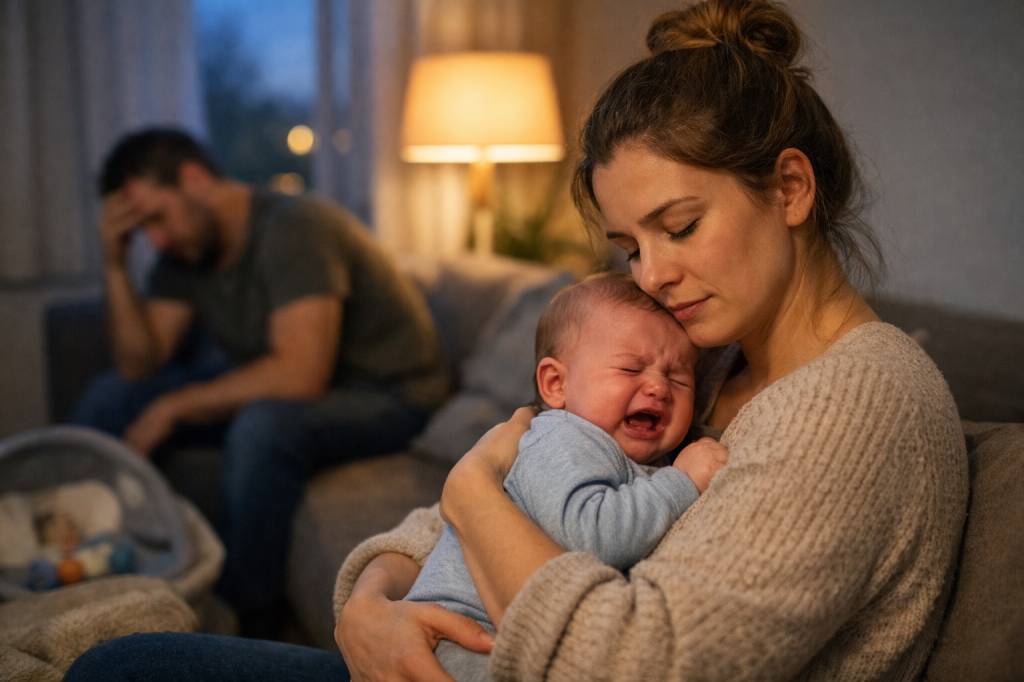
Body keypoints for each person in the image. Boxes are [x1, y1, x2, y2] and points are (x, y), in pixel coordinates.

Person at [66, 0, 968, 679]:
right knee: (128, 659)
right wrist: (371, 604)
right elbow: (502, 490)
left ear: (792, 190)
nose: (649, 275)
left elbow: (627, 657)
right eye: (629, 246)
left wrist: (466, 483)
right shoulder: (708, 357)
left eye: (679, 226)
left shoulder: (864, 400)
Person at [69, 128, 449, 637]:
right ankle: (64, 553)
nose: (154, 240)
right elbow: (140, 365)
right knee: (112, 397)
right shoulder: (186, 252)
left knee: (261, 425)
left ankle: (246, 619)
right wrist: (115, 263)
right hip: (309, 381)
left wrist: (173, 409)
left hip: (391, 392)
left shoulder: (294, 226)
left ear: (195, 178)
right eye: (142, 231)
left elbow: (299, 375)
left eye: (156, 218)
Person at [406, 272, 728, 680]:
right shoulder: (564, 439)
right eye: (631, 369)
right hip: (460, 642)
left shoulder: (624, 451)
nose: (659, 389)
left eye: (679, 378)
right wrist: (682, 481)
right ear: (555, 384)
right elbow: (592, 538)